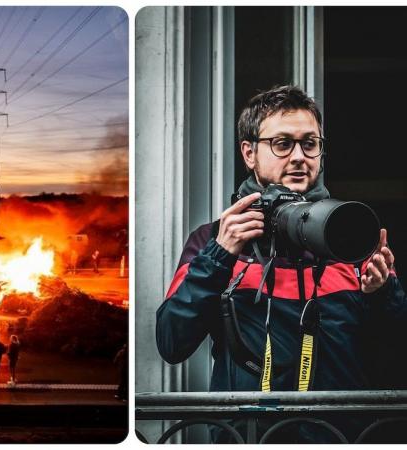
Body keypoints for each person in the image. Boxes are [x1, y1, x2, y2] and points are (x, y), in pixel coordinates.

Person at [155, 85, 404, 443]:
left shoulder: (353, 237)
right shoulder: (214, 240)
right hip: (246, 439)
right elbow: (171, 343)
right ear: (249, 153)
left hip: (342, 439)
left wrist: (384, 294)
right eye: (283, 143)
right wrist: (219, 255)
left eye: (310, 143)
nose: (300, 156)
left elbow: (395, 354)